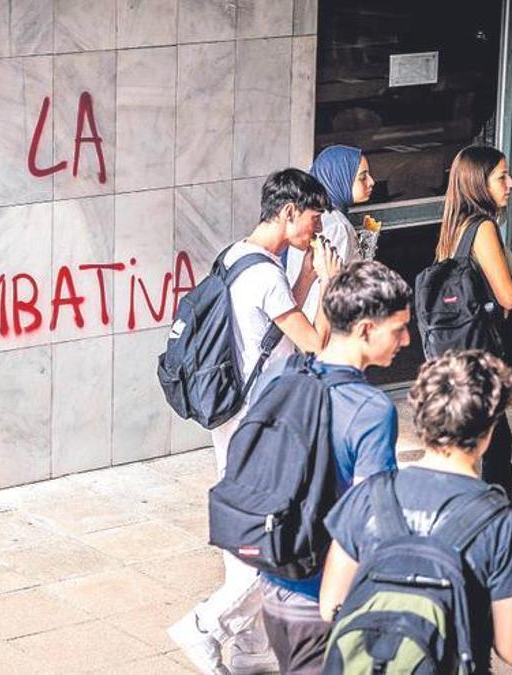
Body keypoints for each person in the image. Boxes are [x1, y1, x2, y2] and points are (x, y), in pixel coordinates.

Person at [169, 169, 340, 675]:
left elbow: (270, 319)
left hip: (233, 418)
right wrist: (329, 284)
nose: (316, 226)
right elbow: (317, 343)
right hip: (258, 426)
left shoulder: (238, 256)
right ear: (288, 212)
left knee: (244, 537)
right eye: (312, 216)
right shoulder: (264, 274)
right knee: (272, 545)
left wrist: (307, 275)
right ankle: (204, 627)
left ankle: (250, 653)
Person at [321, 350, 512, 673]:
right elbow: (511, 649)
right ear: (489, 427)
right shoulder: (508, 522)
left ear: (420, 415)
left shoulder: (369, 495)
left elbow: (330, 605)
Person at [255, 260, 411, 673]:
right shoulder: (371, 410)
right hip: (323, 598)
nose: (407, 340)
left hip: (274, 585)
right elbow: (368, 520)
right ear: (365, 330)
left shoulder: (282, 381)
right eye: (398, 329)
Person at [432, 146, 512, 504]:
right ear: (478, 183)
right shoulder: (482, 228)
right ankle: (502, 531)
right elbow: (507, 297)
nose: (511, 183)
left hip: (466, 349)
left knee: (485, 441)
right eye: (502, 176)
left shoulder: (456, 224)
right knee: (496, 446)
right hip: (488, 351)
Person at [288, 145, 376, 320]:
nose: (371, 182)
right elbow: (336, 287)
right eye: (362, 177)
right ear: (338, 178)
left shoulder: (313, 215)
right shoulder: (336, 225)